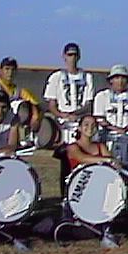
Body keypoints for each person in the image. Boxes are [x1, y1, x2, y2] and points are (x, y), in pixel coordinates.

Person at [43, 42, 95, 195]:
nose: (72, 58)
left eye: (75, 55)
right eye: (69, 55)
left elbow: (88, 103)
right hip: (63, 125)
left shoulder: (87, 77)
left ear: (79, 56)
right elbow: (51, 103)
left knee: (83, 161)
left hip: (80, 124)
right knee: (66, 163)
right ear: (64, 56)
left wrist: (76, 114)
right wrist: (61, 115)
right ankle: (64, 197)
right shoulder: (56, 77)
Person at [65, 115, 120, 248]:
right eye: (86, 124)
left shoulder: (101, 147)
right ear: (79, 128)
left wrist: (115, 163)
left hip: (101, 188)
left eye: (93, 125)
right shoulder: (72, 147)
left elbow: (113, 163)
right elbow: (82, 158)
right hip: (81, 189)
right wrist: (106, 160)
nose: (90, 127)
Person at [0, 56, 41, 134]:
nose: (10, 73)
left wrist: (35, 116)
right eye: (7, 69)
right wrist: (2, 109)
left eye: (13, 70)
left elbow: (34, 103)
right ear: (0, 71)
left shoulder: (18, 89)